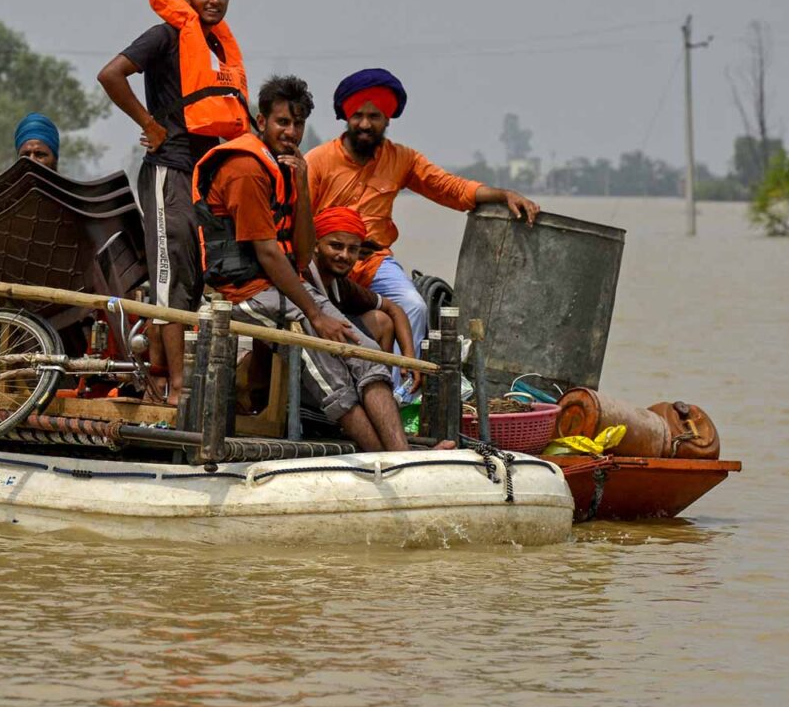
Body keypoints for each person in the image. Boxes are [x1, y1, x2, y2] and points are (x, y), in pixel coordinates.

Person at [193, 74, 409, 453]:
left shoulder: (287, 167)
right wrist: (316, 313)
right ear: (262, 122)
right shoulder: (246, 168)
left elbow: (303, 253)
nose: (291, 132)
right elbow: (268, 253)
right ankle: (383, 460)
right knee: (324, 360)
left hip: (284, 289)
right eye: (282, 122)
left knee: (364, 356)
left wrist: (304, 184)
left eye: (297, 124)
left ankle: (400, 457)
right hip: (244, 294)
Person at [97, 0, 251, 403]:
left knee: (192, 277)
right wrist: (149, 124)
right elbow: (111, 75)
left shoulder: (217, 48)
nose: (215, 1)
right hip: (170, 171)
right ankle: (174, 389)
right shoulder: (166, 35)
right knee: (167, 279)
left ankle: (171, 377)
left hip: (205, 176)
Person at [306, 68, 540, 354]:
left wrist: (504, 195)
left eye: (374, 116)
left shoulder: (402, 159)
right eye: (358, 116)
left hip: (374, 262)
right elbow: (299, 219)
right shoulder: (318, 161)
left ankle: (401, 390)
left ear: (387, 120)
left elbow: (450, 188)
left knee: (413, 305)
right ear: (347, 118)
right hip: (327, 262)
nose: (365, 124)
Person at [308, 206, 420, 395]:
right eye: (336, 246)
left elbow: (394, 309)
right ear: (316, 245)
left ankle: (378, 391)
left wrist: (409, 359)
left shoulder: (341, 285)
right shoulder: (302, 277)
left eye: (352, 249)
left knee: (382, 320)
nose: (344, 255)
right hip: (307, 362)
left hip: (335, 356)